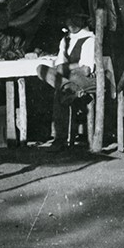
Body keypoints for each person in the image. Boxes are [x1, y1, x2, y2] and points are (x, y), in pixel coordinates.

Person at [37, 10, 96, 148]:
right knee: (41, 69)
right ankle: (69, 88)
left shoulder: (90, 39)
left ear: (82, 21)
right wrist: (69, 68)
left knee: (60, 87)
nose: (71, 23)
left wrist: (65, 69)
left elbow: (86, 70)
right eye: (69, 20)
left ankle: (60, 139)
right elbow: (59, 64)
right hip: (70, 79)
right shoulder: (65, 40)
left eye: (75, 19)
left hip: (85, 80)